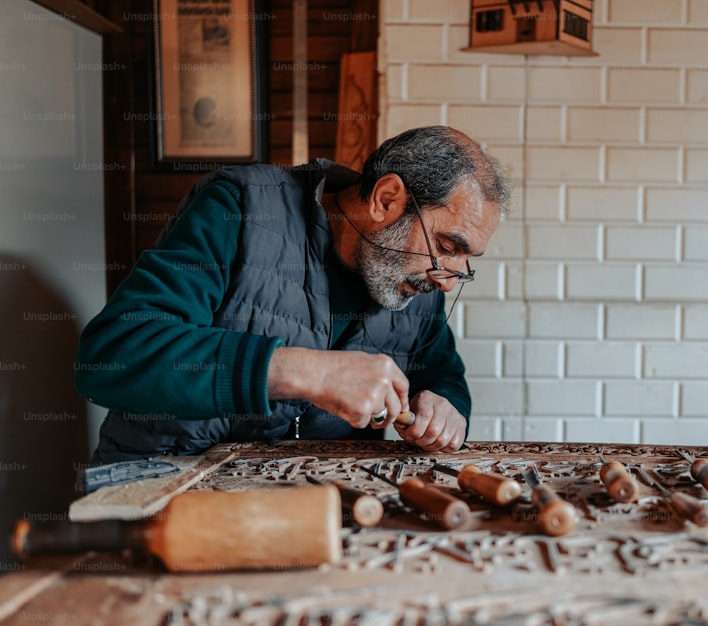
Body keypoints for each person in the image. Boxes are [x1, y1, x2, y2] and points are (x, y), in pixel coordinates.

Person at [75, 126, 509, 463]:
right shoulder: (240, 206)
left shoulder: (420, 281)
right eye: (448, 247)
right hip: (166, 487)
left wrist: (446, 407)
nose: (448, 279)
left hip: (309, 507)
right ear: (386, 199)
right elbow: (113, 357)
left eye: (464, 260)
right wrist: (306, 372)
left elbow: (442, 375)